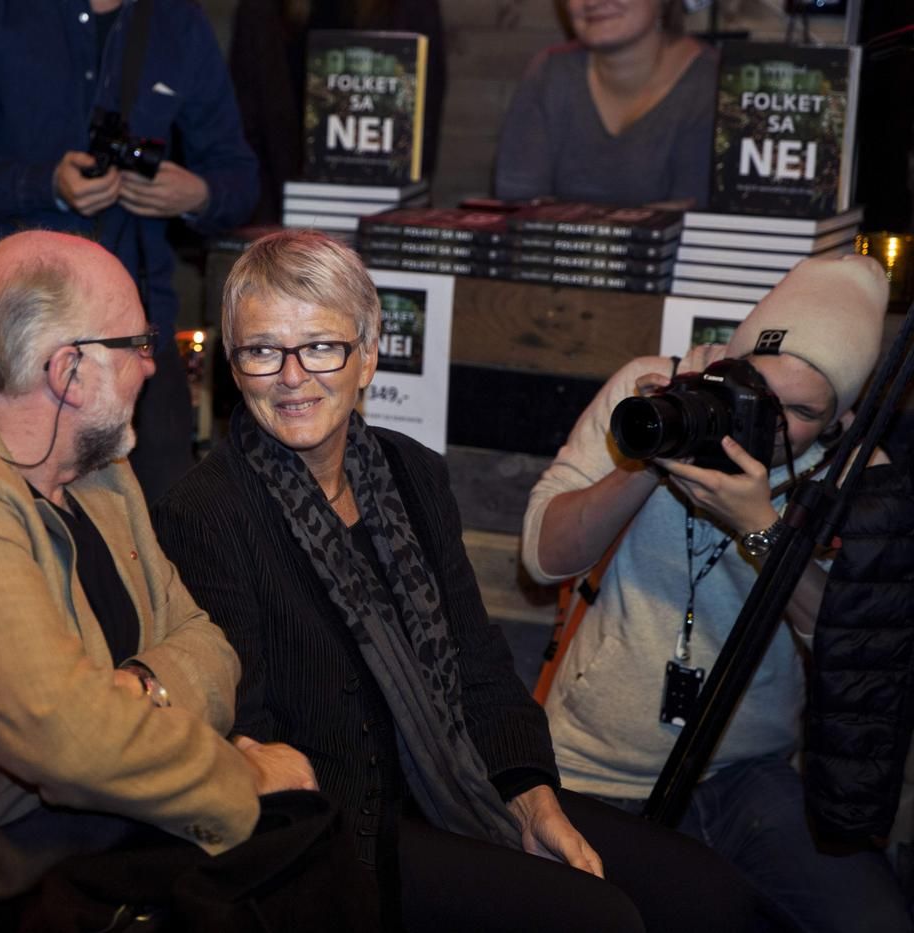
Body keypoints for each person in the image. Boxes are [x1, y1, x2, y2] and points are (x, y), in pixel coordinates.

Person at [152, 229, 772, 932]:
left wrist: (530, 795)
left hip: (461, 781)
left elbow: (478, 663)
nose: (292, 376)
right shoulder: (204, 513)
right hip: (341, 831)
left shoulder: (411, 472)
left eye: (321, 346)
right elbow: (249, 735)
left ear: (368, 356)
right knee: (599, 918)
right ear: (235, 367)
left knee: (711, 896)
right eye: (263, 351)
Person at [0, 231, 320, 902]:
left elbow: (209, 647)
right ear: (68, 370)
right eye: (137, 345)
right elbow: (66, 737)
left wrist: (131, 694)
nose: (152, 366)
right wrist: (243, 778)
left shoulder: (98, 471)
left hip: (91, 839)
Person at [521, 253, 912, 933]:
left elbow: (850, 641)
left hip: (744, 770)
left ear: (841, 418)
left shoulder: (855, 473)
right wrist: (655, 453)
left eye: (802, 411)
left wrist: (761, 528)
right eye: (757, 390)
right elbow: (543, 557)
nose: (771, 420)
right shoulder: (655, 391)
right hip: (589, 762)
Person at [0, 0, 259, 500]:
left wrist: (196, 194)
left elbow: (239, 177)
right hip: (8, 326)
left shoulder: (177, 21)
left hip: (134, 327)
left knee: (166, 512)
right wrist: (46, 184)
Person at [228, 0, 447, 224]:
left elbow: (419, 131)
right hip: (282, 212)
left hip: (380, 214)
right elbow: (245, 132)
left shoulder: (409, 8)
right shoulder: (261, 11)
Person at [494, 0, 717, 207]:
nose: (593, 2)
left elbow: (692, 218)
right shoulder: (551, 72)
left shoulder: (712, 84)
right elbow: (518, 204)